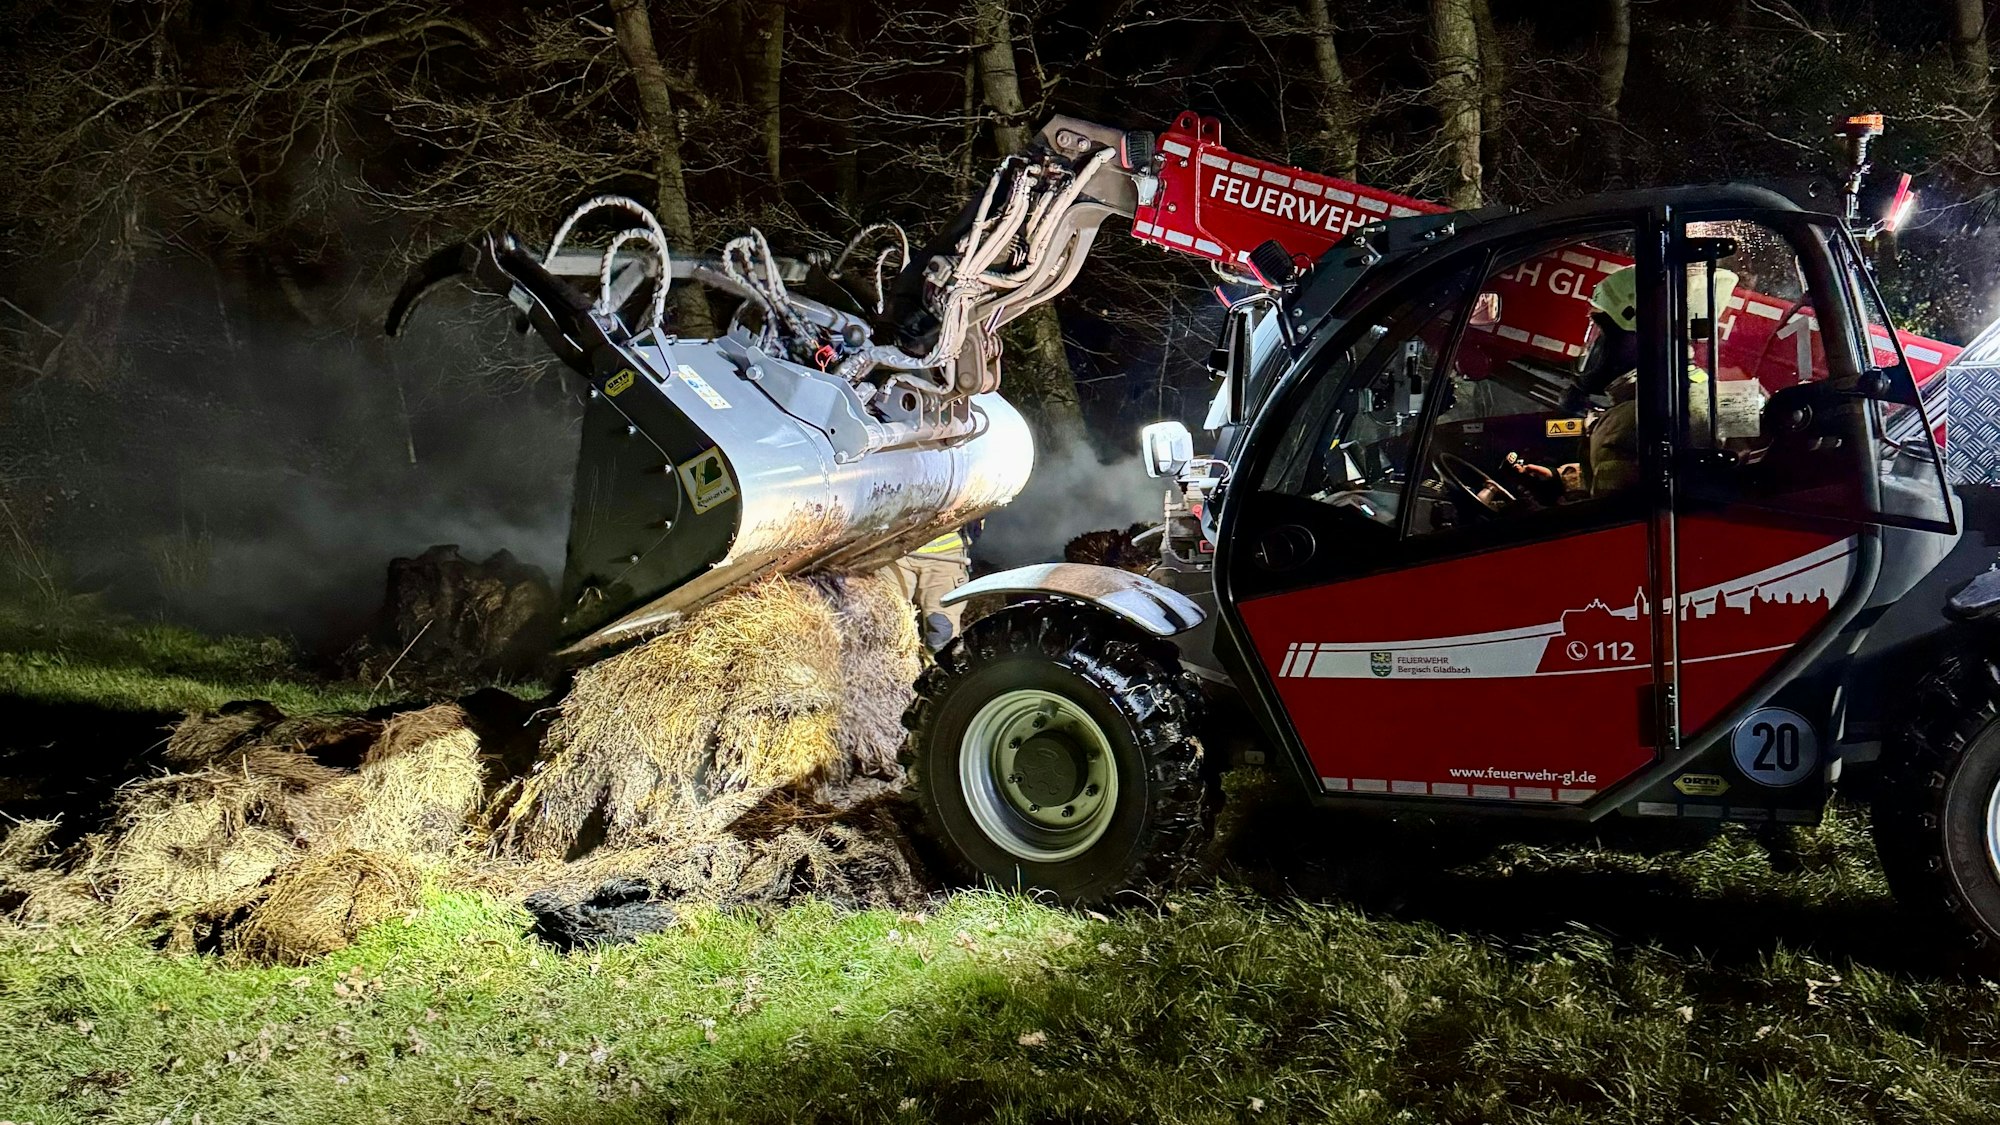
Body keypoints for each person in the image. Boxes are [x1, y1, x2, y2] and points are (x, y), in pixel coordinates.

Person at [894, 521, 979, 651]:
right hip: (892, 551)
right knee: (886, 624)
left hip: (946, 554)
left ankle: (938, 670)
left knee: (941, 634)